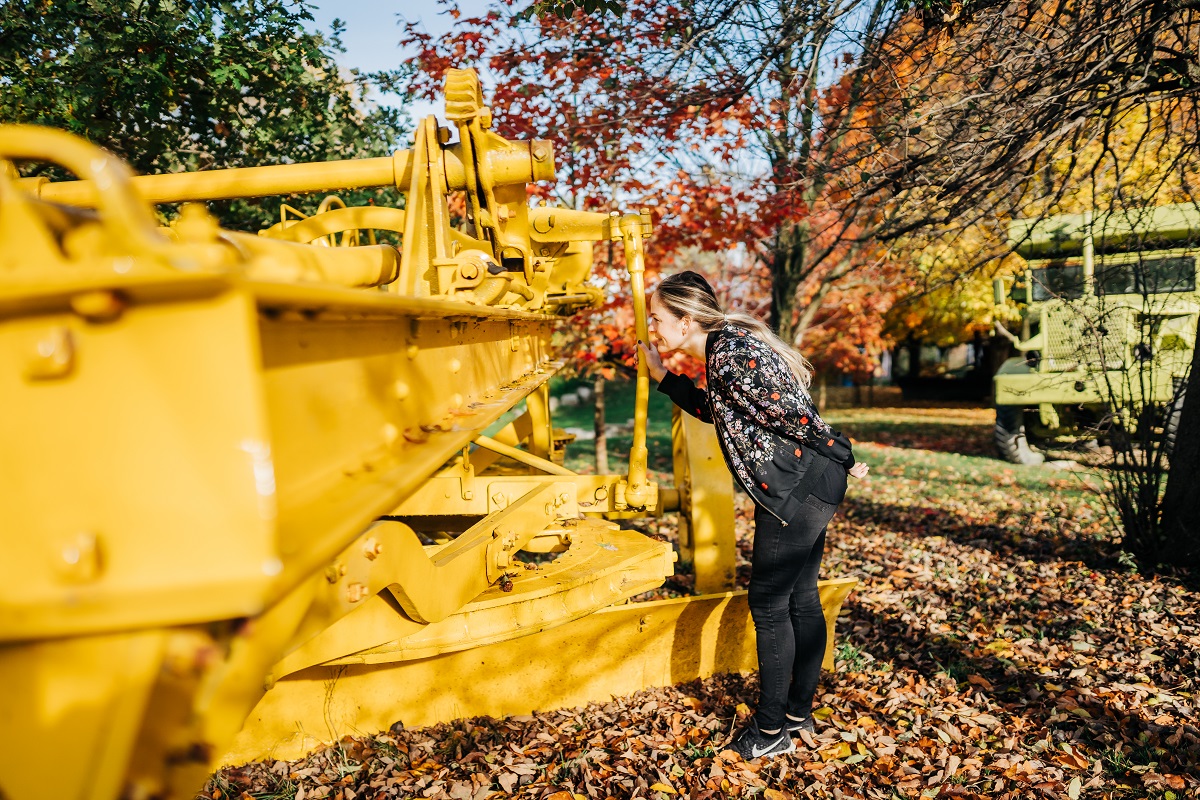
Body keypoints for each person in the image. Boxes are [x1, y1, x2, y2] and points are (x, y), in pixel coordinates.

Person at [637, 270, 868, 761]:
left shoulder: (731, 352)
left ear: (684, 319)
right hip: (808, 484)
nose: (652, 329)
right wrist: (664, 379)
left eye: (657, 319)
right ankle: (796, 716)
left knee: (768, 606)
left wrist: (843, 452)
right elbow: (725, 411)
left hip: (797, 490)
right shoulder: (726, 349)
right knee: (801, 599)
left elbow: (793, 415)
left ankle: (770, 731)